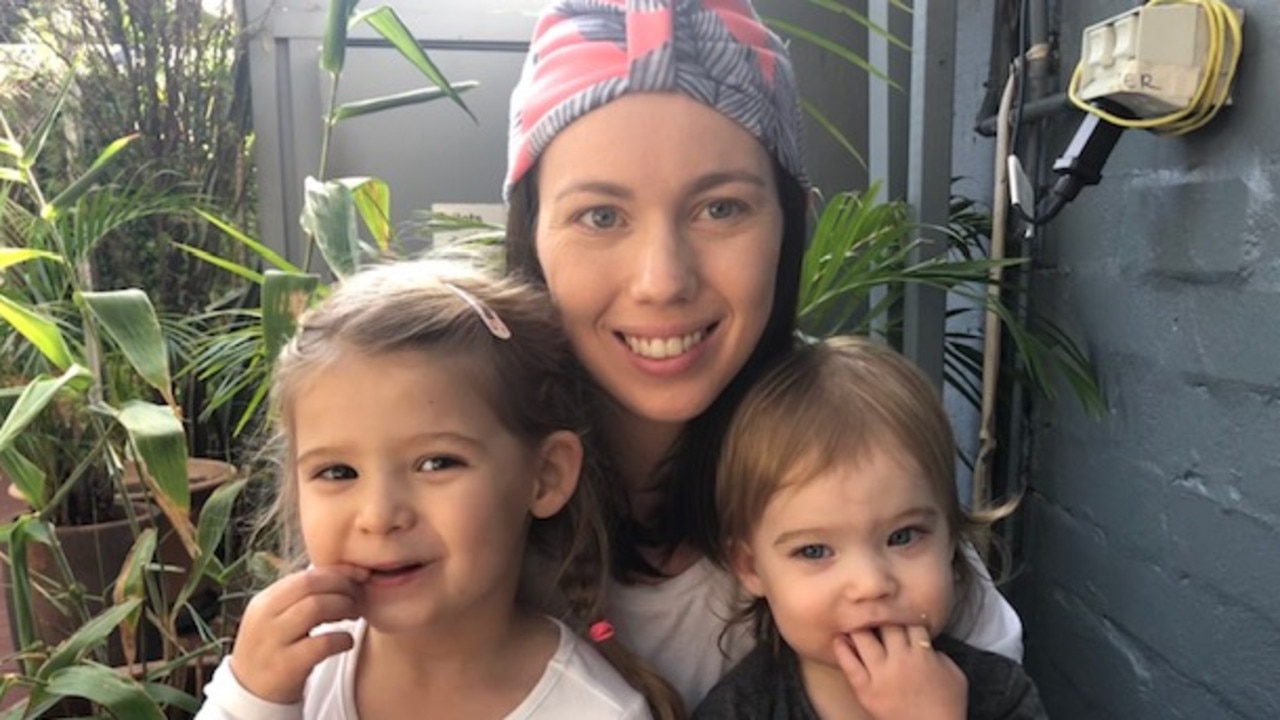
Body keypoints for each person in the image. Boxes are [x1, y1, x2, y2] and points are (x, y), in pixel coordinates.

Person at [503, 0, 1025, 708]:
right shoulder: (460, 479)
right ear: (530, 236)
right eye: (601, 216)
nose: (662, 281)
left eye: (720, 208)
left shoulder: (858, 460)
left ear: (792, 227)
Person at [196, 261, 681, 719]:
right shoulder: (291, 671)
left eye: (436, 463)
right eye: (338, 472)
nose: (379, 515)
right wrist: (252, 700)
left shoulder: (596, 712)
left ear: (546, 475)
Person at [693, 337, 1046, 719]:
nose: (871, 584)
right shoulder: (737, 712)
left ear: (950, 540)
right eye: (814, 550)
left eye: (903, 536)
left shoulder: (999, 694)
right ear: (750, 567)